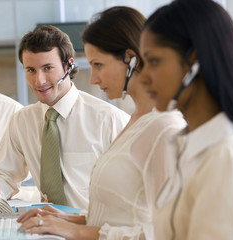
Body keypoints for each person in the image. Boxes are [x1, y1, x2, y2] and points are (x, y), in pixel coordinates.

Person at [16, 6, 186, 239]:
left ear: (131, 59)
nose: (93, 79)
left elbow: (167, 232)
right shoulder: (136, 121)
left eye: (98, 65)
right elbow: (125, 212)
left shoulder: (164, 127)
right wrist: (71, 218)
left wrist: (76, 230)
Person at [138, 0, 233, 239]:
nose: (142, 77)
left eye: (153, 61)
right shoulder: (185, 147)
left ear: (194, 61)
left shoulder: (229, 156)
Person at [0, 25, 130, 210]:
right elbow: (3, 175)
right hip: (47, 230)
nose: (39, 80)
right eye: (31, 70)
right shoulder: (22, 121)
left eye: (48, 68)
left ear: (68, 65)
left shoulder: (109, 120)